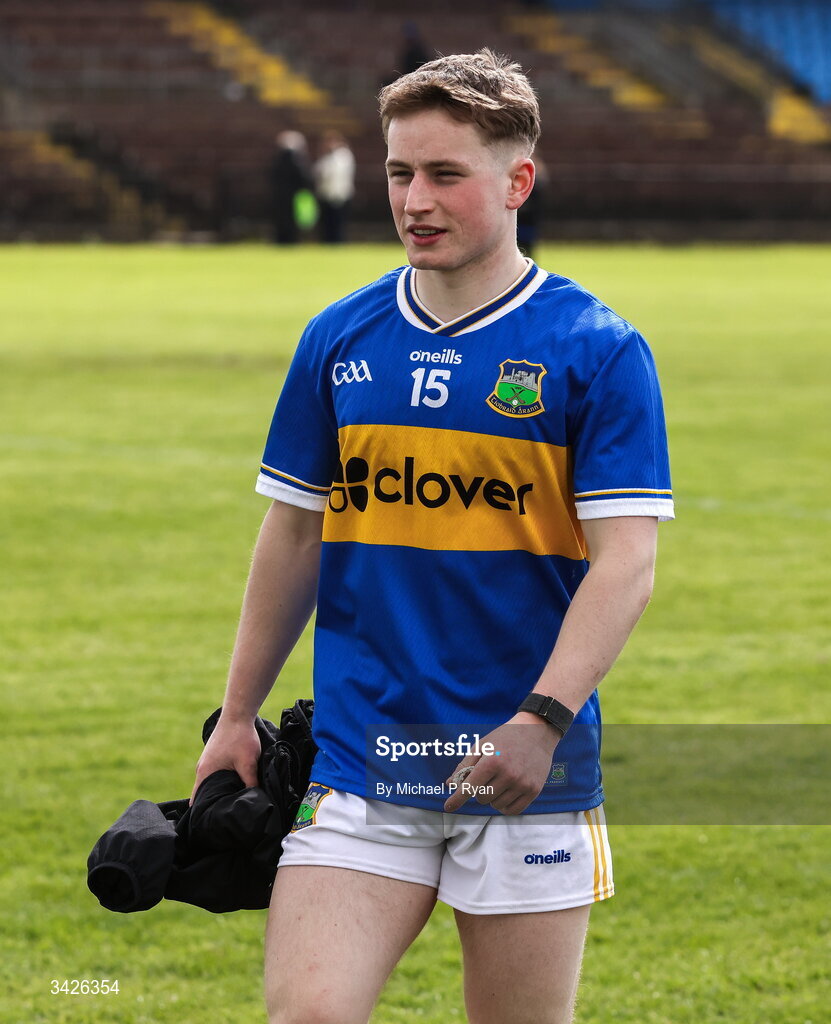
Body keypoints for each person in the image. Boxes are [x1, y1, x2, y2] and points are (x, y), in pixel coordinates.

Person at [193, 48, 674, 1024]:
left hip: (522, 772)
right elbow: (293, 534)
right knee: (308, 1015)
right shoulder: (341, 337)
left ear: (517, 180)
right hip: (362, 759)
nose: (415, 199)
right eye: (400, 172)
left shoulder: (596, 348)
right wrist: (236, 711)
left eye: (445, 174)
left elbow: (627, 561)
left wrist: (540, 720)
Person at [268, 129, 312, 244]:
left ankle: (281, 240)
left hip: (280, 194)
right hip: (293, 195)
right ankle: (290, 240)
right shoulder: (296, 158)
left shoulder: (277, 158)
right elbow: (302, 177)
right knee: (291, 220)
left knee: (281, 220)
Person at [313, 130, 355, 244]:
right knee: (327, 224)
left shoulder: (342, 156)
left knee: (337, 223)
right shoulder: (326, 157)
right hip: (326, 195)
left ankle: (336, 242)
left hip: (338, 195)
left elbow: (332, 175)